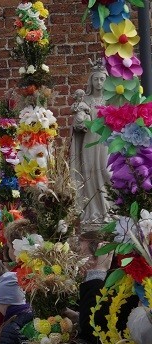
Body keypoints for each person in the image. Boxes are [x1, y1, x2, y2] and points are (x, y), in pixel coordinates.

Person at [70, 60, 111, 224]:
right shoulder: (85, 100)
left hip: (106, 140)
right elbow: (77, 123)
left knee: (106, 172)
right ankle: (94, 210)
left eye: (102, 79)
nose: (99, 82)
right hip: (89, 140)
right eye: (96, 79)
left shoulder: (110, 98)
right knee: (90, 173)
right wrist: (79, 123)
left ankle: (109, 209)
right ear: (91, 81)